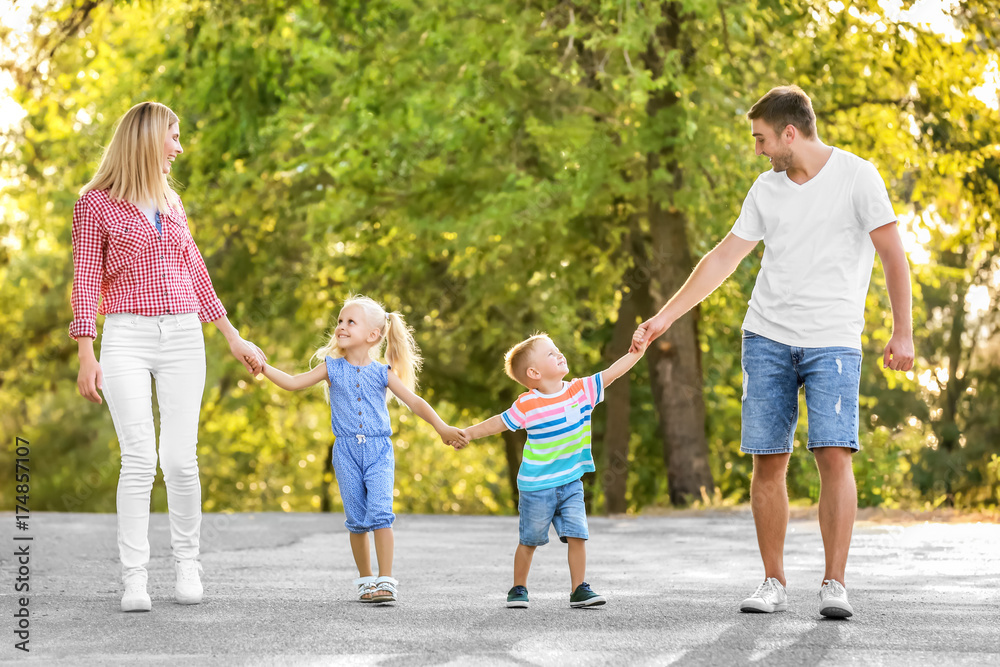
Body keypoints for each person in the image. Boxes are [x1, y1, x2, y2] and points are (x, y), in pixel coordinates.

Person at [632, 85, 914, 618]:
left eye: (762, 139)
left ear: (790, 132)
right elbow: (723, 259)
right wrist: (664, 317)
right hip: (766, 336)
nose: (758, 150)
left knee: (834, 455)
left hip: (832, 340)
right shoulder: (766, 190)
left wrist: (904, 332)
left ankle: (834, 584)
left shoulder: (859, 176)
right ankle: (773, 582)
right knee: (769, 462)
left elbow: (893, 256)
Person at [70, 101, 266, 612]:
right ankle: (134, 579)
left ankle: (187, 563)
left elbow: (195, 271)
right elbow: (87, 280)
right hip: (125, 338)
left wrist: (231, 335)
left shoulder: (172, 203)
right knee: (138, 459)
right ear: (148, 140)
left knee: (180, 460)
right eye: (173, 138)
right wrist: (85, 352)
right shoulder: (94, 205)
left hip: (183, 336)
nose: (179, 148)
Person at [259, 295, 468, 603]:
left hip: (379, 451)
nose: (341, 326)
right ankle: (365, 580)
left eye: (350, 322)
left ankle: (386, 579)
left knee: (381, 513)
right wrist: (262, 367)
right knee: (357, 518)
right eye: (340, 321)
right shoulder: (331, 368)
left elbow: (415, 403)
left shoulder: (383, 373)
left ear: (373, 336)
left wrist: (442, 428)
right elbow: (292, 382)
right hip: (345, 453)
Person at [458, 333, 645, 608]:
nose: (559, 354)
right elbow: (499, 422)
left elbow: (611, 374)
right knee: (529, 540)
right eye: (550, 353)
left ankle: (579, 589)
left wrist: (637, 352)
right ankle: (518, 588)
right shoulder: (527, 404)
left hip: (571, 483)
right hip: (536, 487)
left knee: (578, 534)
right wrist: (468, 434)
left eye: (557, 350)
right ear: (533, 372)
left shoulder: (579, 391)